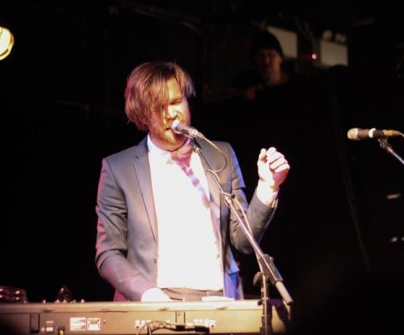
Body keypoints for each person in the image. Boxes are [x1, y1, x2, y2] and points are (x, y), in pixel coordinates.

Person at [95, 61, 290, 302]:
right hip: (155, 302)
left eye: (176, 101)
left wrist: (268, 187)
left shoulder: (220, 155)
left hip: (219, 300)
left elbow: (243, 241)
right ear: (143, 115)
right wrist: (147, 294)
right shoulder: (119, 169)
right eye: (159, 107)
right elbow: (108, 252)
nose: (171, 114)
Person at [230, 30, 292, 100]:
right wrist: (242, 95)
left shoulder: (298, 83)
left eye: (271, 55)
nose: (266, 61)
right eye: (260, 56)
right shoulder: (247, 80)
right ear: (255, 60)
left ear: (280, 58)